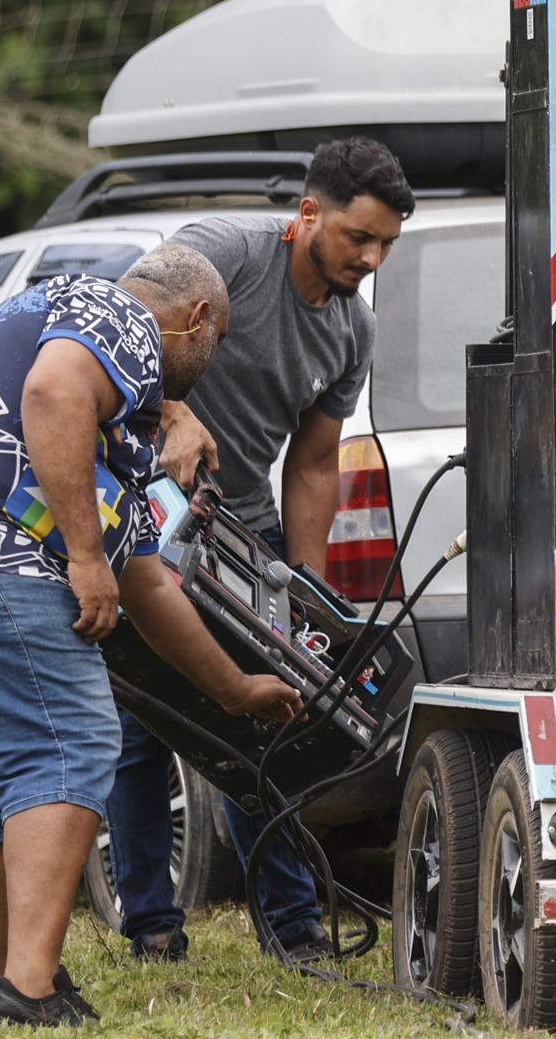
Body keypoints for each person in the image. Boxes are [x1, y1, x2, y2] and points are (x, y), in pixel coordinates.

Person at [0, 246, 302, 1028]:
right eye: (214, 347)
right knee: (72, 746)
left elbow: (147, 581)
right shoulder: (116, 316)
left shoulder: (103, 407)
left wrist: (235, 690)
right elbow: (53, 394)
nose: (205, 369)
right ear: (197, 320)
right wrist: (85, 557)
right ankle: (30, 991)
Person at [104, 136, 413, 965]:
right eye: (358, 237)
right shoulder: (222, 251)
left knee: (263, 723)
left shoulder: (354, 328)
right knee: (143, 727)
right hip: (138, 515)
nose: (370, 257)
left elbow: (313, 464)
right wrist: (172, 412)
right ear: (307, 213)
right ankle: (151, 927)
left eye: (385, 244)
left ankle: (294, 927)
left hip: (240, 534)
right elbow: (112, 330)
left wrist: (300, 583)